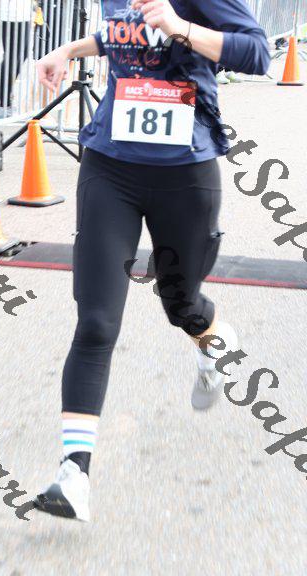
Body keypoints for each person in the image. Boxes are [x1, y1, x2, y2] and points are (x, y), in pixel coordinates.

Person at [32, 0, 270, 522]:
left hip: (185, 173)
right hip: (109, 166)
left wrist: (180, 27)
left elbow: (257, 53)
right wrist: (69, 50)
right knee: (96, 322)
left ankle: (212, 339)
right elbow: (121, 36)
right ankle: (74, 475)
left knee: (180, 303)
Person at [0, 0, 34, 118]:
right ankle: (4, 104)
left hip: (22, 13)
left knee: (22, 54)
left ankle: (7, 98)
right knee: (12, 56)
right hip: (12, 13)